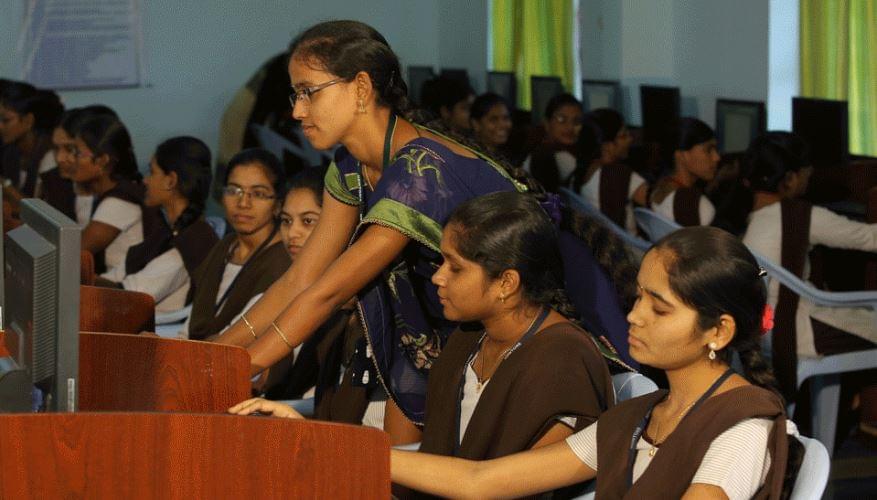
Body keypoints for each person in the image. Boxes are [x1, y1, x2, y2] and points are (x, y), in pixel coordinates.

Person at [216, 20, 637, 438]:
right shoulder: (349, 165)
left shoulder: (418, 170)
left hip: (531, 322)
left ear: (361, 88)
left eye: (309, 92)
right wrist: (219, 352)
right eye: (295, 94)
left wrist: (242, 366)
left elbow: (330, 290)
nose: (297, 110)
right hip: (449, 324)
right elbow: (301, 277)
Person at [390, 226, 798, 499]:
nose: (635, 316)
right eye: (638, 297)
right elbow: (482, 480)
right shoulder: (640, 416)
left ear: (719, 332)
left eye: (659, 309)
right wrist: (361, 456)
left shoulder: (741, 428)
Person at [232, 193, 614, 464]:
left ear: (506, 283)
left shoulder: (563, 357)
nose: (437, 278)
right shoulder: (469, 340)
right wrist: (313, 434)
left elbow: (493, 483)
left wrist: (327, 445)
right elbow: (440, 461)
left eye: (455, 267)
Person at [739, 132, 877, 394]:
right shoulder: (798, 216)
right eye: (805, 170)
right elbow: (869, 238)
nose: (811, 173)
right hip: (795, 330)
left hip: (763, 329)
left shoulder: (751, 218)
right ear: (789, 179)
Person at [96, 136, 219, 314]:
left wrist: (76, 277)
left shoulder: (193, 241)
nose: (145, 180)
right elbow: (117, 276)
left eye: (152, 172)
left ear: (171, 181)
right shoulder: (168, 230)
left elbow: (131, 297)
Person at [182, 148, 290, 341]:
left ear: (278, 204)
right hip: (198, 350)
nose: (243, 203)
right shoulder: (226, 245)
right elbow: (194, 320)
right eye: (234, 190)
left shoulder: (283, 258)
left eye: (258, 193)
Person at [72, 114, 145, 274]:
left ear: (102, 160)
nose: (71, 159)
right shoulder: (111, 191)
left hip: (122, 292)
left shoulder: (119, 203)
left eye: (78, 153)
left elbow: (71, 255)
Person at [577, 108, 647, 233]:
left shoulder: (581, 172)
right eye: (623, 136)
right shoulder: (616, 174)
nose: (630, 139)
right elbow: (655, 203)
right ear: (607, 146)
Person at [47, 105, 119, 225]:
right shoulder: (54, 183)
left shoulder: (126, 195)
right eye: (56, 148)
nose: (59, 158)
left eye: (70, 149)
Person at [649, 118, 720, 226]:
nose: (717, 157)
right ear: (682, 156)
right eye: (708, 150)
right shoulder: (698, 205)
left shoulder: (659, 189)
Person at [0, 82, 63, 198]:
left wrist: (4, 184)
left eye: (5, 120)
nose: (0, 126)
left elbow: (40, 212)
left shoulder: (50, 155)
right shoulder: (10, 153)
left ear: (28, 121)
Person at [523, 93, 586, 193]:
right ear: (547, 123)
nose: (570, 127)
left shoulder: (582, 155)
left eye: (576, 121)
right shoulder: (542, 155)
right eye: (562, 119)